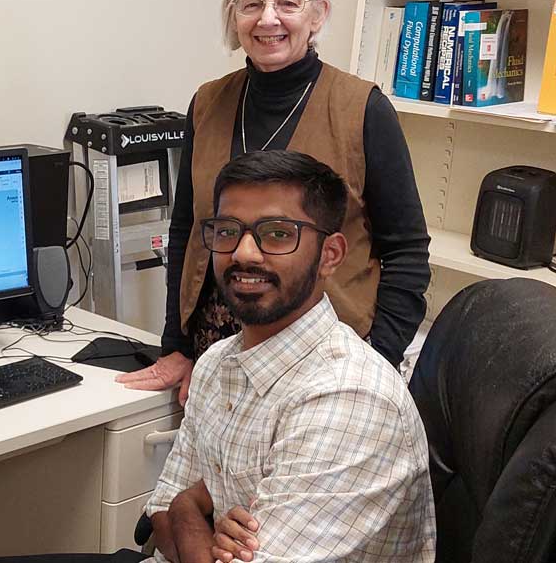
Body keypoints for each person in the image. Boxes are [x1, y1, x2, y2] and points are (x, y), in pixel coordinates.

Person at [118, 0, 430, 406]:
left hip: (324, 366)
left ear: (317, 14)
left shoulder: (363, 110)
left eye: (288, 2)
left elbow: (407, 251)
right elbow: (187, 231)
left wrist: (376, 360)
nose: (268, 19)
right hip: (214, 359)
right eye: (252, 4)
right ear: (234, 16)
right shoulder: (208, 103)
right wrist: (177, 346)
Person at [146, 151, 434, 563]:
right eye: (227, 231)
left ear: (330, 255)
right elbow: (162, 511)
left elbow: (178, 516)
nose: (244, 253)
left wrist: (188, 509)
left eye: (278, 234)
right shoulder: (216, 363)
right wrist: (185, 508)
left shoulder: (349, 397)